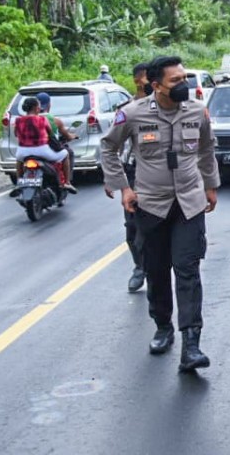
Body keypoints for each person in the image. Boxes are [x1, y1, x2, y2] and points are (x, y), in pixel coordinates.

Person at [100, 54, 221, 372]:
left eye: (184, 78)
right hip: (151, 205)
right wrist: (123, 187)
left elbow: (207, 148)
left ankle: (191, 343)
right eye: (176, 80)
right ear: (155, 86)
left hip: (189, 204)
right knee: (156, 271)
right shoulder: (132, 114)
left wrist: (211, 185)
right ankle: (163, 325)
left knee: (188, 270)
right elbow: (108, 148)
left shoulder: (196, 111)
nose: (184, 84)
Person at [105, 62, 150, 293]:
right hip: (133, 173)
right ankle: (139, 267)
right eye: (146, 78)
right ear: (137, 80)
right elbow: (113, 146)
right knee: (132, 227)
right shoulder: (126, 110)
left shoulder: (168, 106)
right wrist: (113, 179)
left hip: (159, 174)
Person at [13, 97, 73, 192]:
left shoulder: (18, 120)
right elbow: (50, 133)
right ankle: (67, 182)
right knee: (65, 154)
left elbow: (16, 134)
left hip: (23, 151)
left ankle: (18, 182)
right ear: (36, 108)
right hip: (42, 150)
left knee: (19, 161)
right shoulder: (42, 119)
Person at [36, 91, 77, 189]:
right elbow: (66, 136)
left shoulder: (29, 119)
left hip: (30, 149)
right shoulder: (55, 120)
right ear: (49, 105)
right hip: (49, 149)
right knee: (68, 153)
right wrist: (73, 136)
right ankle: (67, 182)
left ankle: (20, 179)